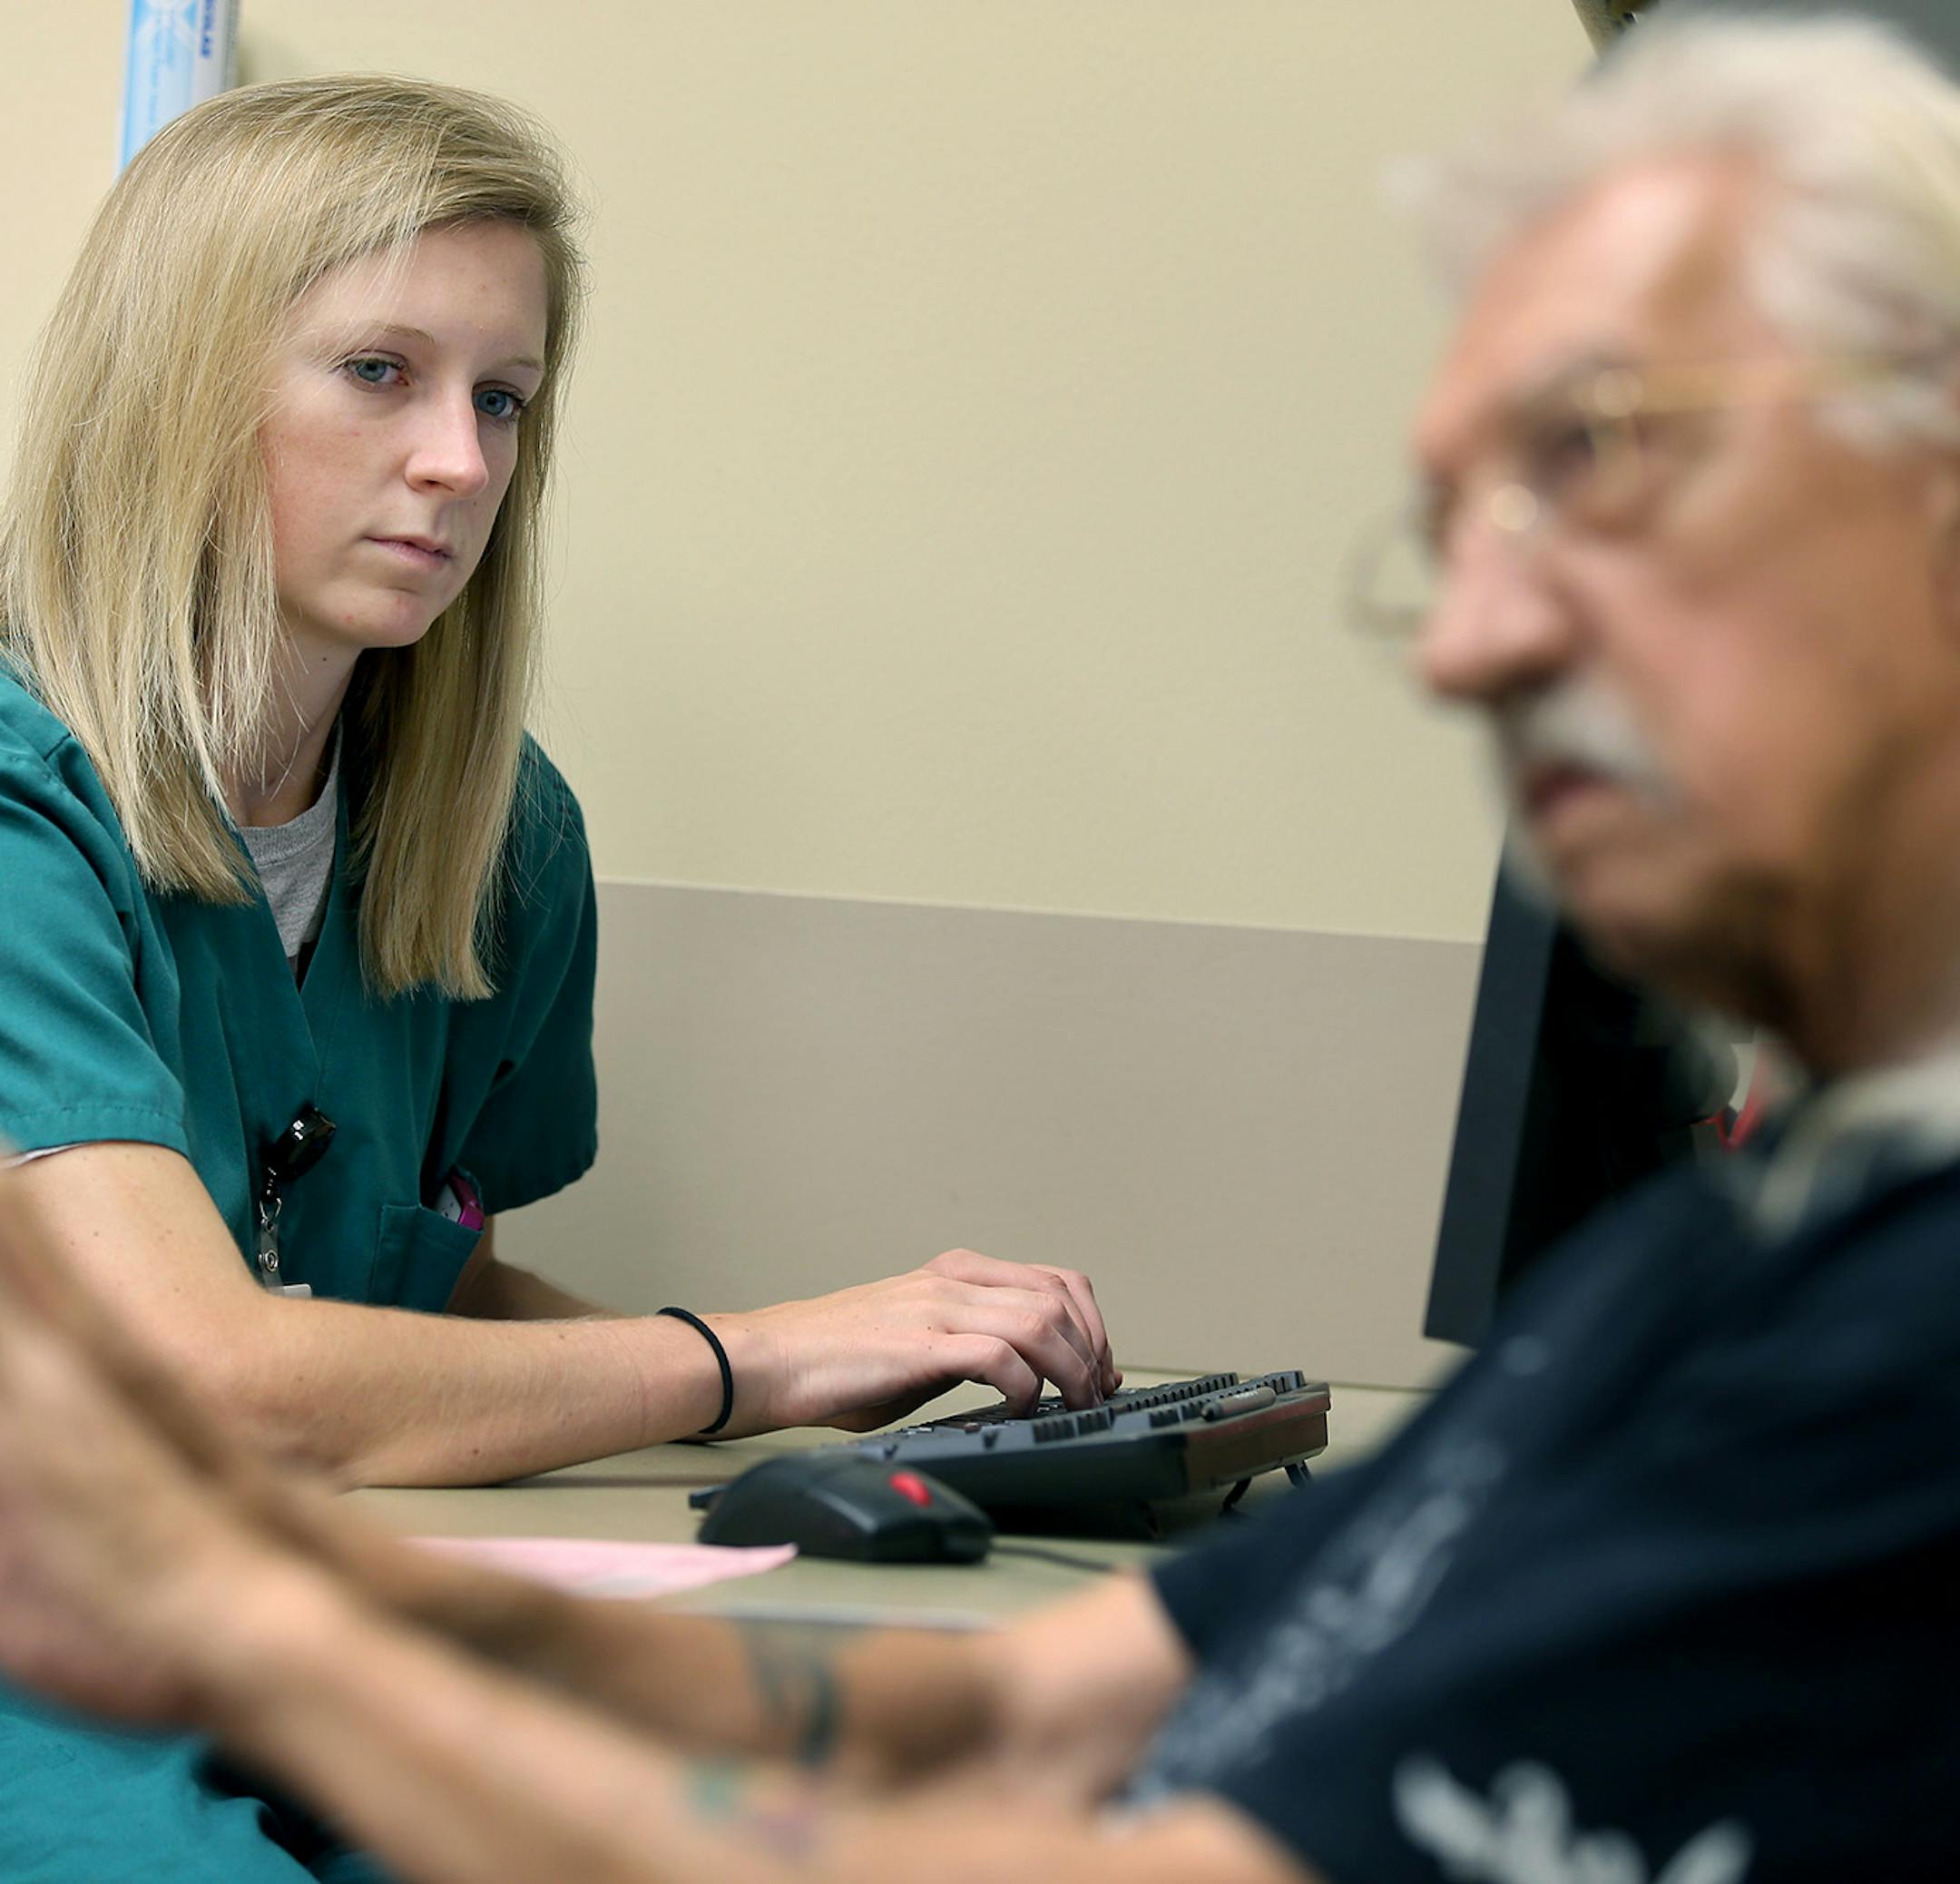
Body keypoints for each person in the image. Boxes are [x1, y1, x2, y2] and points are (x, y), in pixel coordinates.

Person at [4, 8, 1960, 1880]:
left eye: (1600, 475)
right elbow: (1019, 1715)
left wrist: (282, 1624)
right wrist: (712, 1388)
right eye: (382, 375)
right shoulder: (1724, 1259)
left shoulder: (1877, 1327)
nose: (1465, 648)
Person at [0, 69, 1116, 1884]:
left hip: (321, 1616)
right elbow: (208, 1378)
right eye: (380, 373)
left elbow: (426, 1310)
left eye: (501, 398)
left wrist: (834, 1396)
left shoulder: (495, 839)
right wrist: (746, 1359)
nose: (461, 462)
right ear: (179, 386)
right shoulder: (16, 804)